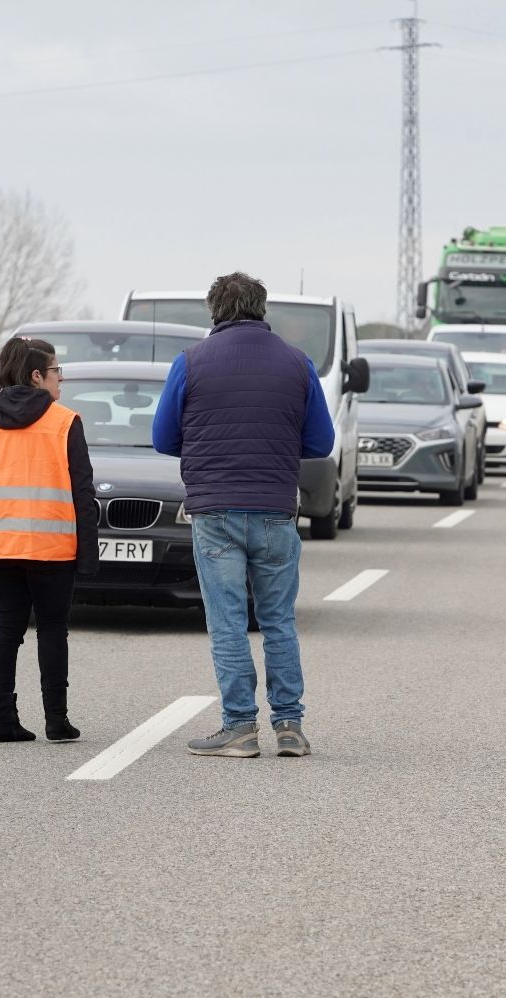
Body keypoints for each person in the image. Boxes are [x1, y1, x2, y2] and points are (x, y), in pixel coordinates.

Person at [152, 272, 334, 758]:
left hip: (215, 509)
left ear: (214, 311)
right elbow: (321, 442)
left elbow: (163, 438)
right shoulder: (298, 364)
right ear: (262, 308)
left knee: (228, 622)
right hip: (276, 508)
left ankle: (239, 728)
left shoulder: (189, 363)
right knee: (278, 621)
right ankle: (290, 726)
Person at [0, 336, 97, 743]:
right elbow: (82, 493)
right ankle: (56, 721)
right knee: (53, 629)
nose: (61, 379)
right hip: (50, 548)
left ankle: (0, 719)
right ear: (37, 375)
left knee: (8, 627)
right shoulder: (64, 421)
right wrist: (88, 554)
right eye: (57, 370)